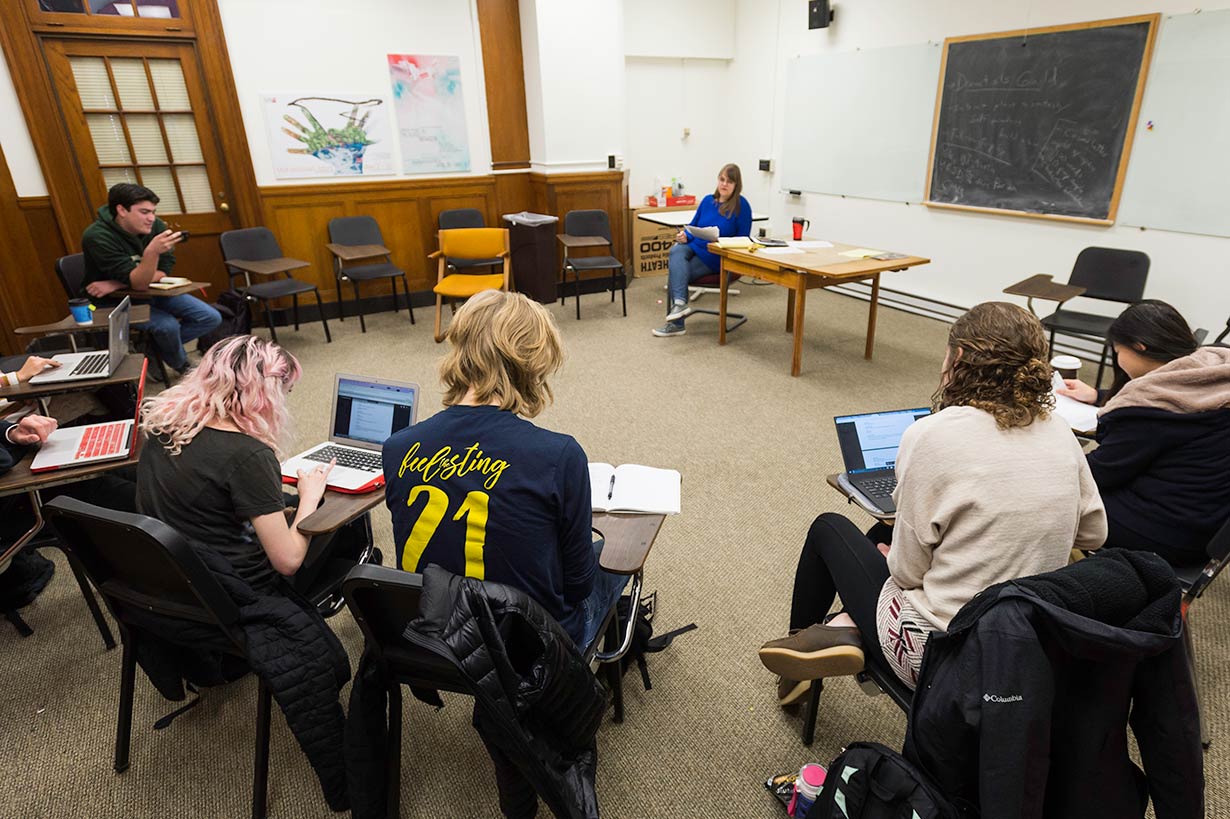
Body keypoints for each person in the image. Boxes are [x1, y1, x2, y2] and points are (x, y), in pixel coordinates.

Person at [758, 302, 1107, 703]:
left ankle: (811, 647)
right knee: (878, 533)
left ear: (957, 358)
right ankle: (842, 626)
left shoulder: (931, 435)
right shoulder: (1060, 431)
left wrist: (892, 555)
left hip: (942, 653)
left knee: (829, 528)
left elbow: (907, 574)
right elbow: (1094, 534)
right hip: (1027, 642)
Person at [384, 289, 627, 651]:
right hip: (532, 646)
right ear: (532, 363)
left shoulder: (398, 447)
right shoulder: (559, 455)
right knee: (615, 555)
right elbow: (578, 587)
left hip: (443, 637)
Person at [135, 334, 332, 589]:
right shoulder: (249, 455)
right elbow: (287, 562)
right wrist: (310, 498)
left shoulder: (166, 419)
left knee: (288, 503)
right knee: (333, 515)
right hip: (233, 583)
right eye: (287, 392)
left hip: (178, 566)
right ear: (268, 395)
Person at [1056, 299, 1230, 566]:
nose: (1118, 359)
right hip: (1211, 521)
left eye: (1118, 350)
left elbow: (1098, 474)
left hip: (1168, 532)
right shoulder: (1213, 369)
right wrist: (1099, 396)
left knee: (1050, 497)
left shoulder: (1147, 411)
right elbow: (1181, 403)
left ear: (1139, 346)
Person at [81, 183, 221, 374]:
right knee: (168, 326)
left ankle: (155, 350)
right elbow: (139, 283)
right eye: (144, 212)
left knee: (210, 317)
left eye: (153, 212)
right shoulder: (97, 236)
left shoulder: (156, 226)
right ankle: (184, 368)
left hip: (149, 291)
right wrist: (151, 253)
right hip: (110, 302)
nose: (151, 218)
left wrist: (116, 283)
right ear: (121, 210)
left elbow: (163, 271)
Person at [652, 163, 752, 337]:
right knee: (676, 250)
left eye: (730, 181)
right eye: (722, 179)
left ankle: (677, 323)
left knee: (677, 272)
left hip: (716, 256)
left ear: (737, 185)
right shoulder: (707, 201)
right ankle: (681, 305)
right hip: (695, 246)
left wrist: (720, 242)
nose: (724, 184)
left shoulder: (741, 206)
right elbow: (693, 227)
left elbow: (743, 240)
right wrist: (685, 236)